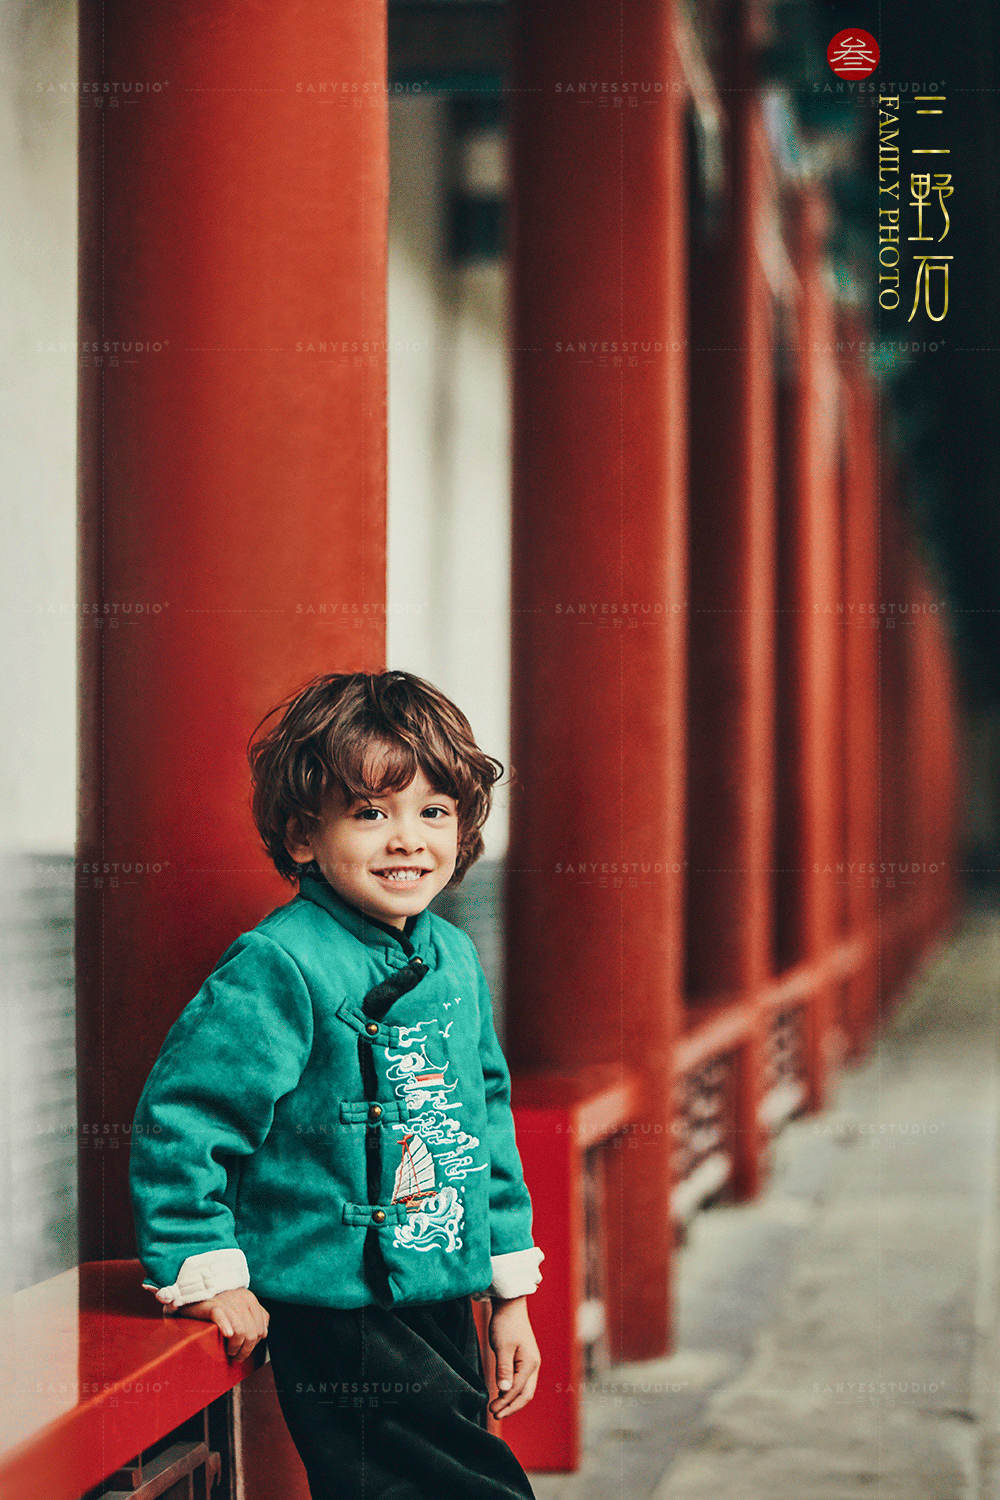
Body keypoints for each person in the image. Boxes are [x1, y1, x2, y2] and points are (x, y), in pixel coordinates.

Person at [129, 670, 543, 1500]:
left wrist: (510, 1296)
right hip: (336, 1302)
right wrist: (208, 1270)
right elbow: (184, 1119)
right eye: (370, 813)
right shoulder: (279, 962)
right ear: (301, 837)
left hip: (441, 1287)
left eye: (434, 812)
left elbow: (484, 1122)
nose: (408, 840)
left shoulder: (454, 956)